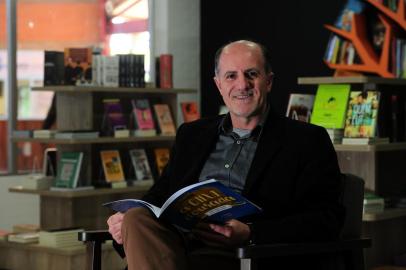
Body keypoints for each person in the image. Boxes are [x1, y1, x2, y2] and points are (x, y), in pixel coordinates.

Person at [107, 40, 344, 270]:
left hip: (245, 256)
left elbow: (327, 219)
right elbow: (160, 197)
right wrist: (124, 222)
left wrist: (250, 233)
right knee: (136, 217)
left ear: (269, 81)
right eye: (231, 76)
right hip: (178, 244)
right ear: (219, 84)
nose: (242, 85)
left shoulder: (306, 140)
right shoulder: (192, 134)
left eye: (252, 74)